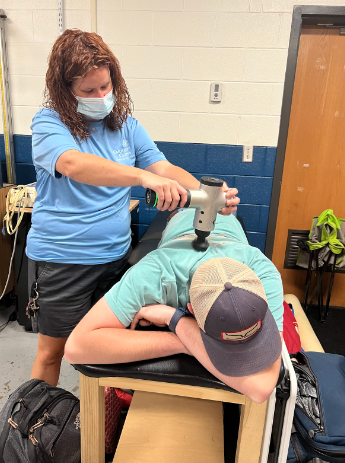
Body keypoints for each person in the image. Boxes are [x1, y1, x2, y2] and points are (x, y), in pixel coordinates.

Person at [27, 29, 240, 387]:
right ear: (66, 91)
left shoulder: (125, 125)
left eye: (106, 86)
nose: (101, 96)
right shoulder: (49, 123)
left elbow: (163, 168)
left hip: (114, 257)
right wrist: (141, 179)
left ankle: (99, 419)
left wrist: (208, 197)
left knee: (107, 351)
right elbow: (74, 164)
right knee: (53, 352)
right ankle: (36, 426)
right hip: (65, 260)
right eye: (89, 91)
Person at [65, 209, 284, 404]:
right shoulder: (155, 273)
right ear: (190, 307)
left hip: (228, 223)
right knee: (182, 211)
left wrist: (176, 321)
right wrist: (184, 341)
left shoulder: (263, 274)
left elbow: (261, 388)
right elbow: (76, 348)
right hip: (179, 222)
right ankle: (181, 212)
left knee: (221, 209)